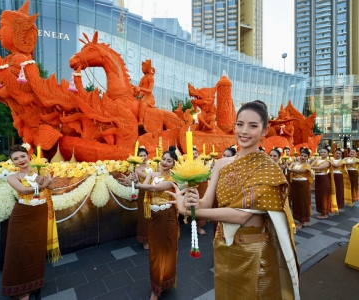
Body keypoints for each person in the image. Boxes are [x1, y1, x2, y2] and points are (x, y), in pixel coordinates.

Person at [168, 100, 299, 299]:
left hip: (254, 252)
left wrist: (189, 212)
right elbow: (206, 201)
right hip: (224, 247)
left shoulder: (268, 168)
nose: (244, 131)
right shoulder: (221, 164)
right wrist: (190, 199)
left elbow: (240, 216)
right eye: (240, 124)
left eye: (253, 126)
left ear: (264, 131)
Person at [1, 144, 55, 300]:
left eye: (22, 156)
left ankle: (32, 285)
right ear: (13, 162)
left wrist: (49, 183)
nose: (20, 160)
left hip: (39, 212)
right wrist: (42, 185)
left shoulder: (41, 171)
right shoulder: (13, 177)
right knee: (18, 251)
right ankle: (18, 291)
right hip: (22, 215)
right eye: (16, 159)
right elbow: (23, 191)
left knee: (35, 250)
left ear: (29, 156)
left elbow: (51, 188)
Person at [125, 151, 179, 300]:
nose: (165, 162)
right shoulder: (152, 174)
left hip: (167, 216)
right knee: (155, 253)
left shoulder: (172, 178)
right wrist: (131, 181)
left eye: (169, 161)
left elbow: (155, 189)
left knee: (167, 250)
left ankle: (162, 285)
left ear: (174, 164)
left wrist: (137, 184)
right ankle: (157, 284)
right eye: (164, 159)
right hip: (153, 217)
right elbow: (142, 186)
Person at [288, 147, 313, 230]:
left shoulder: (307, 165)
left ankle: (301, 221)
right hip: (294, 184)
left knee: (303, 202)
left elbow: (299, 171)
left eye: (305, 156)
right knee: (296, 202)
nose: (302, 157)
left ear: (308, 157)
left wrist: (291, 168)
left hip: (303, 185)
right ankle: (301, 220)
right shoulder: (295, 163)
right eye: (301, 155)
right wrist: (291, 166)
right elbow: (289, 167)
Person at [135, 146, 153, 249]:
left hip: (153, 193)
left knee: (153, 216)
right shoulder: (137, 169)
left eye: (144, 155)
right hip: (143, 194)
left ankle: (152, 237)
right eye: (140, 156)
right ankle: (144, 241)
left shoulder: (152, 166)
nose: (143, 157)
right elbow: (148, 177)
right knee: (144, 217)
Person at [311, 147, 337, 219]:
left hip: (324, 179)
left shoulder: (328, 161)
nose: (322, 153)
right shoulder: (318, 160)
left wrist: (310, 167)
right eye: (321, 152)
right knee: (318, 195)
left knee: (324, 196)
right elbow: (311, 165)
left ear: (328, 153)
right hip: (318, 179)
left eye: (324, 152)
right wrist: (315, 160)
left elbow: (319, 168)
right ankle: (322, 211)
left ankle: (325, 213)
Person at [133, 59, 156, 126]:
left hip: (149, 97)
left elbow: (150, 90)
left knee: (142, 103)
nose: (142, 68)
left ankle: (141, 122)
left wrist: (140, 88)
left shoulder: (151, 77)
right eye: (141, 67)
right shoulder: (143, 78)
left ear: (147, 68)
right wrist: (134, 92)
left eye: (143, 67)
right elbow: (138, 89)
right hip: (142, 96)